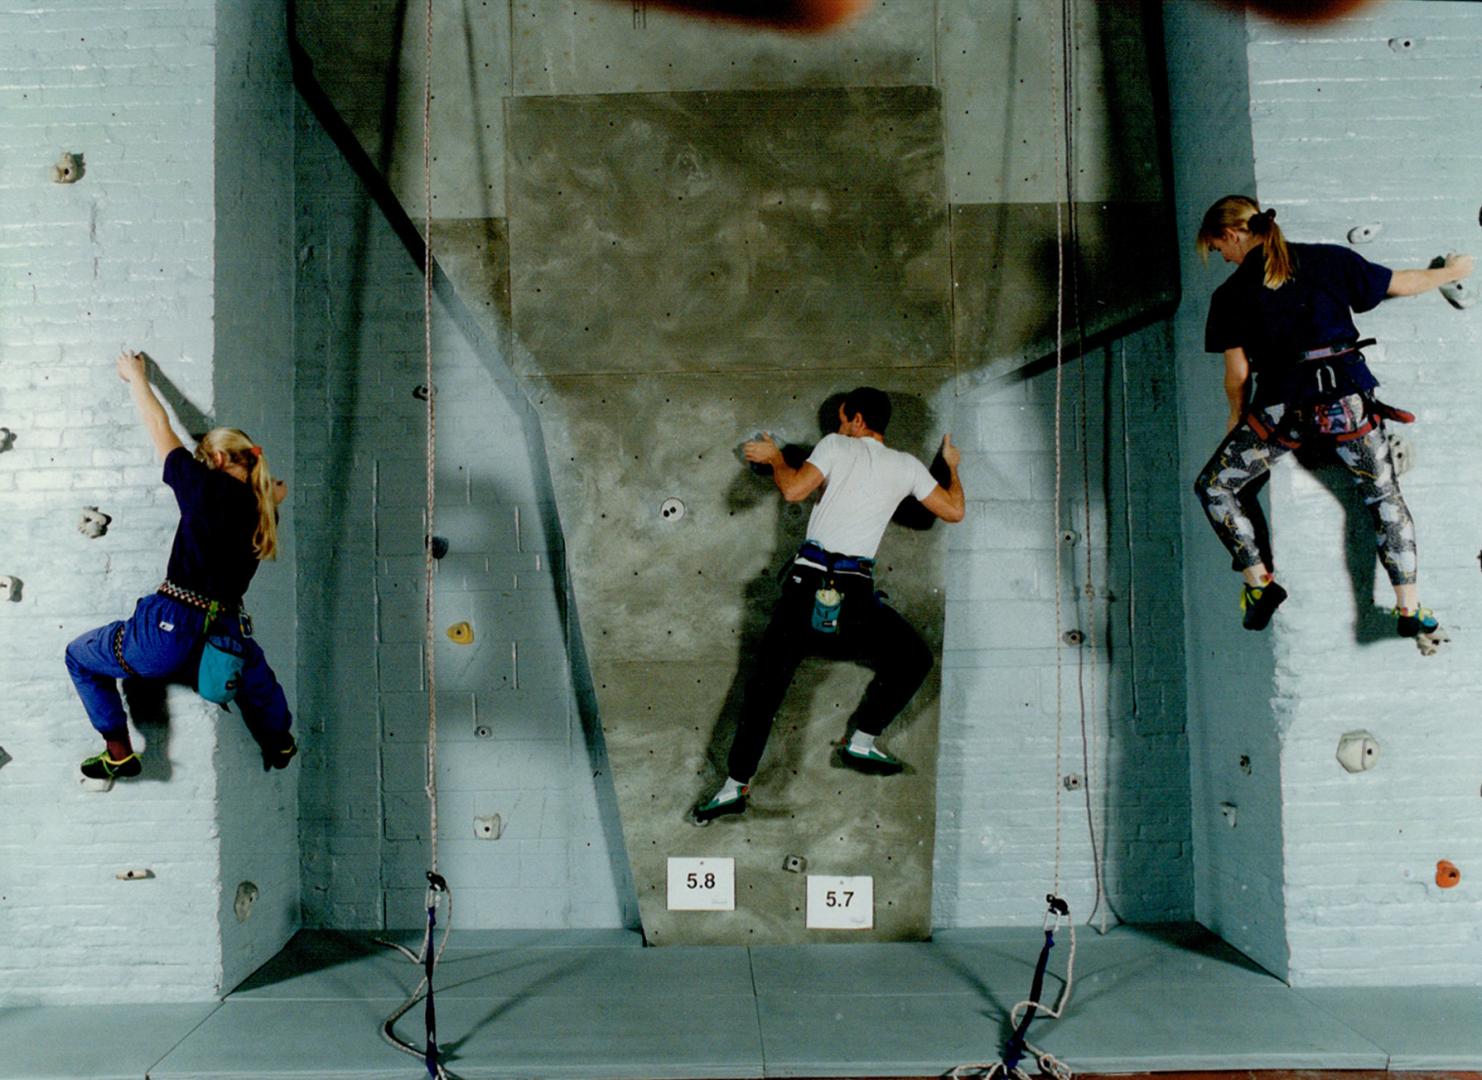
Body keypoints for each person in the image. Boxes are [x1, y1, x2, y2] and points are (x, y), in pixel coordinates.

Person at [1193, 195, 1472, 644]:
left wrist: (1234, 418)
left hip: (1284, 410)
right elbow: (1401, 283)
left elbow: (1238, 373)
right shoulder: (1327, 259)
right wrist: (1453, 273)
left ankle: (1259, 585)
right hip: (1347, 402)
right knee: (1383, 497)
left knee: (1216, 487)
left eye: (1218, 248)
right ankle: (1410, 606)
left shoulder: (1230, 294)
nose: (1223, 258)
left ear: (1232, 233)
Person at [694, 387, 964, 823]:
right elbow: (953, 511)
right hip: (855, 598)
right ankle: (862, 740)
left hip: (806, 590)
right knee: (913, 659)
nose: (839, 428)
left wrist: (777, 458)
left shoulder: (837, 445)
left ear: (857, 421)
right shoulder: (908, 466)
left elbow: (795, 491)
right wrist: (951, 468)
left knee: (764, 693)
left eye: (842, 420)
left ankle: (733, 787)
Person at [65, 350, 297, 783]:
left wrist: (136, 377)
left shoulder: (204, 486)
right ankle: (280, 741)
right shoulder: (265, 511)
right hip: (222, 632)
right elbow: (274, 489)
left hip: (167, 629)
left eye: (207, 458)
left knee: (79, 656)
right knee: (253, 675)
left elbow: (159, 425)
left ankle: (118, 752)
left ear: (221, 461)